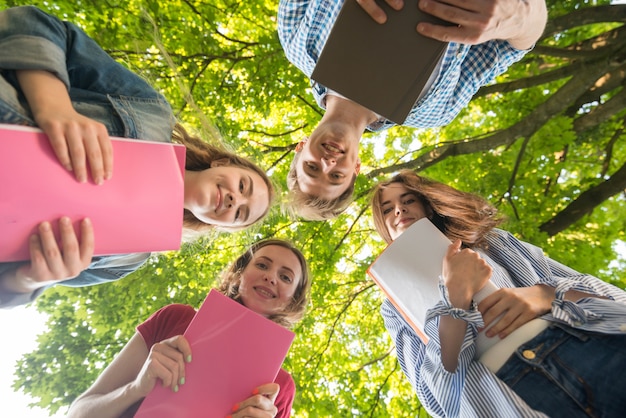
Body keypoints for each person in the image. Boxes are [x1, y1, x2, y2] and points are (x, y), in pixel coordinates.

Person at [0, 6, 275, 308]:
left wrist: (29, 279)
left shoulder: (125, 258)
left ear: (218, 226)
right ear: (222, 163)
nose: (236, 200)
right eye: (243, 186)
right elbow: (33, 22)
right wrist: (54, 107)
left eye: (240, 214)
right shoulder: (151, 113)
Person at [369, 170, 626, 417]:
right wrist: (454, 299)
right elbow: (438, 401)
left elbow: (607, 296)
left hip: (583, 345)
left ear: (427, 205)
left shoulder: (493, 242)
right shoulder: (393, 307)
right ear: (383, 225)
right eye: (387, 209)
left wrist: (543, 295)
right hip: (513, 398)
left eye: (408, 200)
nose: (399, 210)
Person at [278, 0, 548, 220]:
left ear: (300, 147)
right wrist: (522, 15)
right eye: (336, 176)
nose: (328, 163)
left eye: (312, 168)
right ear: (356, 168)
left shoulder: (296, 42)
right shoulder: (435, 110)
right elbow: (513, 44)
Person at [66, 238, 311, 418]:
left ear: (293, 300)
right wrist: (136, 389)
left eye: (286, 277)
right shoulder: (174, 319)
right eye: (262, 265)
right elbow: (78, 413)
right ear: (238, 275)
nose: (271, 277)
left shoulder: (280, 387)